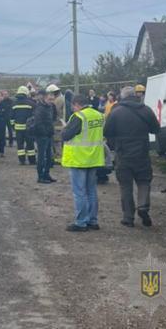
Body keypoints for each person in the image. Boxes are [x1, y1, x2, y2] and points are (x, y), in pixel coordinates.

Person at [103, 85, 160, 228]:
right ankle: (143, 207)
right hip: (142, 153)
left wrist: (115, 144)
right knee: (144, 181)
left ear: (122, 96)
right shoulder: (145, 110)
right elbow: (156, 129)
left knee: (125, 186)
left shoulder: (116, 112)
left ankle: (128, 217)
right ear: (136, 95)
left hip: (123, 154)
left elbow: (107, 132)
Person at [61, 93, 105, 232]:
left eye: (73, 106)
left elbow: (66, 135)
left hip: (79, 159)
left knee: (79, 192)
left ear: (76, 104)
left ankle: (81, 222)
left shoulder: (79, 117)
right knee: (91, 190)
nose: (72, 109)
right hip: (94, 158)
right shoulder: (99, 115)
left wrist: (64, 127)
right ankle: (93, 220)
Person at [34, 88, 56, 184]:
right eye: (49, 99)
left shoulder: (50, 107)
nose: (51, 101)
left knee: (49, 156)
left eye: (52, 99)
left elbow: (52, 119)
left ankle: (47, 174)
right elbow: (38, 123)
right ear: (44, 98)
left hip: (49, 135)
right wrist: (44, 132)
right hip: (42, 136)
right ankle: (40, 176)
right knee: (41, 157)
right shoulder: (40, 108)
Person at [11, 85, 36, 164]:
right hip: (28, 128)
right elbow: (35, 116)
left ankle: (22, 160)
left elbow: (11, 117)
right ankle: (32, 160)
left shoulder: (14, 104)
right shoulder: (31, 104)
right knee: (30, 145)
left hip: (18, 129)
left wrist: (13, 126)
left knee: (20, 145)